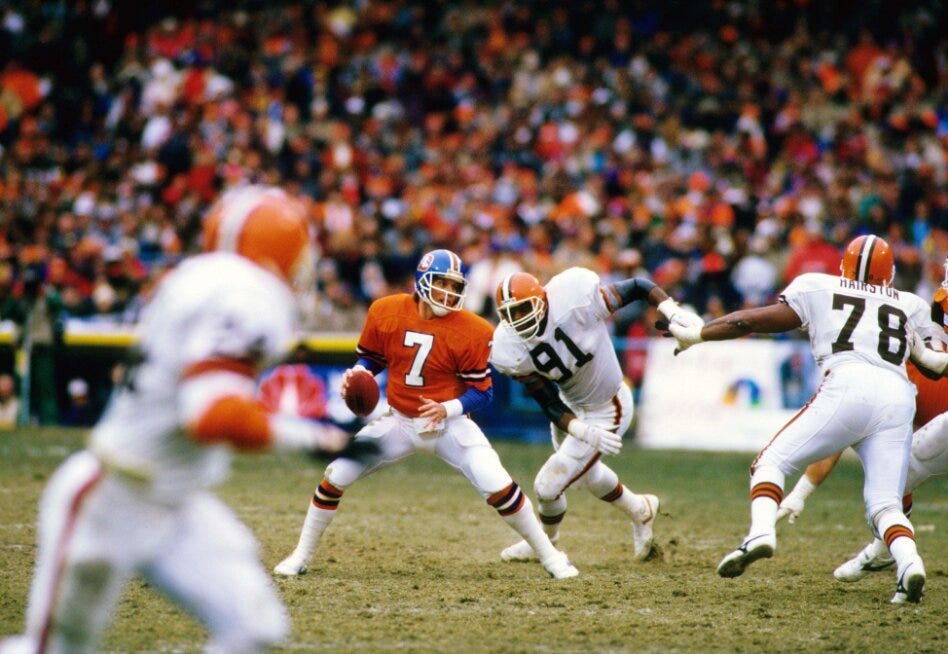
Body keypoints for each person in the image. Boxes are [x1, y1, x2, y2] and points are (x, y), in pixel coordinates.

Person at [1, 185, 358, 653]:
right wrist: (312, 438)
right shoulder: (247, 292)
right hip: (110, 499)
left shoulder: (199, 277)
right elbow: (210, 415)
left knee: (254, 627)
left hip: (175, 501)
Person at [274, 249, 579, 580]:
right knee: (336, 474)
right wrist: (357, 373)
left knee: (496, 482)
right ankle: (301, 555)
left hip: (450, 424)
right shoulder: (386, 310)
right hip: (400, 421)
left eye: (454, 286)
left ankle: (550, 556)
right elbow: (372, 359)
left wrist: (446, 408)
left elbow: (484, 392)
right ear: (421, 282)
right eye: (442, 284)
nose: (449, 293)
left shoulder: (473, 329)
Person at [667, 234, 937, 604]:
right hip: (898, 396)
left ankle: (760, 533)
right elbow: (935, 368)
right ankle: (909, 564)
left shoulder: (818, 286)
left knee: (771, 462)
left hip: (847, 381)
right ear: (889, 274)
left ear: (843, 265)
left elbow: (749, 322)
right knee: (885, 504)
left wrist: (698, 334)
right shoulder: (911, 304)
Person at [489, 268, 703, 563]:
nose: (518, 320)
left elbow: (639, 286)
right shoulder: (508, 347)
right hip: (571, 408)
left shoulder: (573, 297)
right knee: (584, 474)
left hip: (609, 404)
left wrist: (670, 309)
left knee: (547, 486)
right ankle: (641, 510)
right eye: (509, 313)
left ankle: (544, 544)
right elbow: (547, 401)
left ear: (541, 299)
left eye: (523, 308)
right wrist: (579, 429)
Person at [774, 264, 947, 596]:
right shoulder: (909, 339)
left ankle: (884, 552)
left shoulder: (899, 357)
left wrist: (798, 496)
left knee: (894, 481)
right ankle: (886, 551)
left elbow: (840, 433)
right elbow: (841, 435)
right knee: (897, 476)